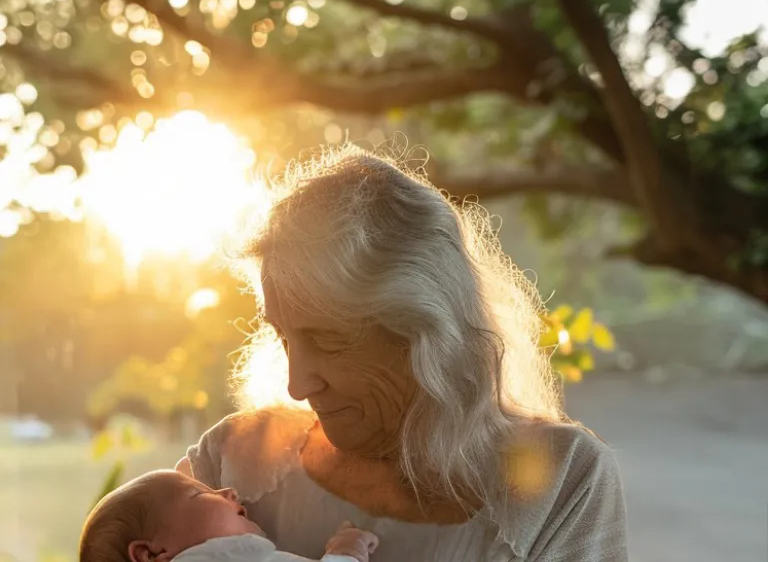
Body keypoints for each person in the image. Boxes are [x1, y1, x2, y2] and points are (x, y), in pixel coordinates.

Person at [177, 145, 629, 561]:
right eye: (283, 337)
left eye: (328, 340)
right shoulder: (233, 464)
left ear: (428, 334)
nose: (297, 386)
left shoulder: (564, 481)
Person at [79, 469, 379, 562]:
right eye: (198, 494)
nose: (230, 491)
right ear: (150, 553)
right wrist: (345, 552)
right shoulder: (221, 556)